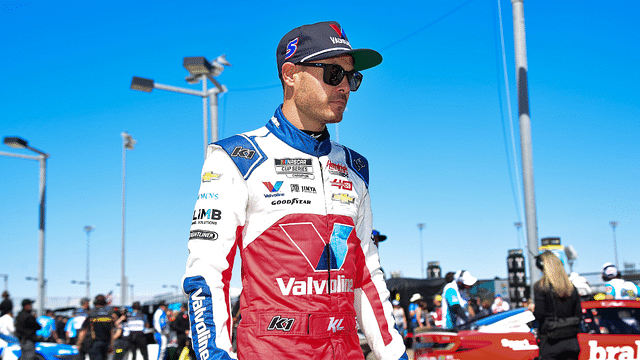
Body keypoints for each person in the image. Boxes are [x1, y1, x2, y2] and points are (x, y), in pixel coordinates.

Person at [181, 20, 407, 360]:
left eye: (352, 77)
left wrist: (395, 354)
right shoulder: (236, 158)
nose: (345, 86)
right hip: (272, 350)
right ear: (290, 74)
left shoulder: (355, 168)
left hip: (345, 351)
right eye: (334, 73)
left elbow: (367, 276)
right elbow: (207, 272)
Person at [533, 251, 581, 360]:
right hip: (572, 342)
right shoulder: (571, 288)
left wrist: (533, 310)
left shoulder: (541, 287)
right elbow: (578, 313)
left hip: (551, 342)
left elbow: (539, 315)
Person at [76, 294, 114, 360]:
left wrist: (79, 343)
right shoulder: (109, 315)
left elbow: (83, 331)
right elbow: (112, 331)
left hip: (94, 343)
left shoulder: (92, 314)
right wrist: (111, 345)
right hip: (106, 344)